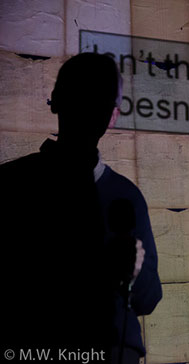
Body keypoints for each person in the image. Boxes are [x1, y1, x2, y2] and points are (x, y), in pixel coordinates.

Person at [0, 52, 162, 364]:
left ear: (113, 115)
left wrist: (134, 272)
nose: (92, 107)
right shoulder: (12, 186)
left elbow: (148, 298)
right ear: (58, 100)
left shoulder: (127, 196)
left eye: (100, 97)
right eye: (84, 94)